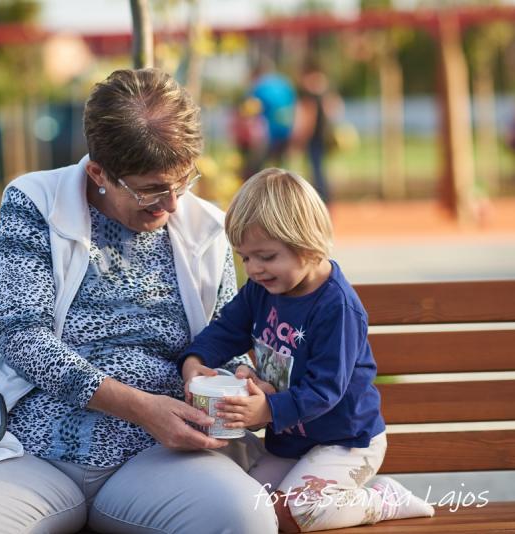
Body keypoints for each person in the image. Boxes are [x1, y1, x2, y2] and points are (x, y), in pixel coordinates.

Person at [0, 68, 278, 533]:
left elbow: (226, 339)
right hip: (31, 453)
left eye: (182, 181)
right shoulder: (36, 205)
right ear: (98, 172)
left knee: (242, 517)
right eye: (149, 190)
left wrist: (231, 376)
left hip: (160, 457)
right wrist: (141, 407)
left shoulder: (205, 225)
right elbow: (23, 338)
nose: (170, 205)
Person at [180, 168, 435, 532]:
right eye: (244, 257)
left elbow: (325, 389)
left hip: (347, 442)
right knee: (251, 507)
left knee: (299, 513)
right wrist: (195, 361)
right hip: (293, 441)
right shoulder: (263, 289)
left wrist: (267, 409)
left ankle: (381, 498)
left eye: (265, 256)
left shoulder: (337, 307)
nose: (253, 270)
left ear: (307, 244)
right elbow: (226, 329)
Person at [292, 59, 343, 205]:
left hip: (314, 137)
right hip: (322, 135)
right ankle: (324, 199)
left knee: (316, 171)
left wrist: (301, 136)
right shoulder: (325, 89)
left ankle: (321, 201)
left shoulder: (310, 93)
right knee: (320, 169)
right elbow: (335, 108)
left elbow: (309, 116)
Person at [250, 60, 297, 168]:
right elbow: (294, 104)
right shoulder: (285, 83)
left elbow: (252, 108)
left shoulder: (260, 87)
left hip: (268, 130)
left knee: (261, 162)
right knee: (281, 163)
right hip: (286, 127)